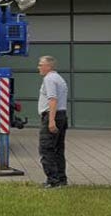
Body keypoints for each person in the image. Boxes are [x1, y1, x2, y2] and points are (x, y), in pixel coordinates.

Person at [36, 55, 69, 188]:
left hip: (52, 115)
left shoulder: (49, 79)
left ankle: (53, 181)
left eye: (40, 64)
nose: (38, 67)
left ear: (48, 66)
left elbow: (53, 100)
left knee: (46, 149)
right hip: (62, 115)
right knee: (58, 149)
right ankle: (61, 179)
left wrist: (51, 121)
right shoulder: (59, 78)